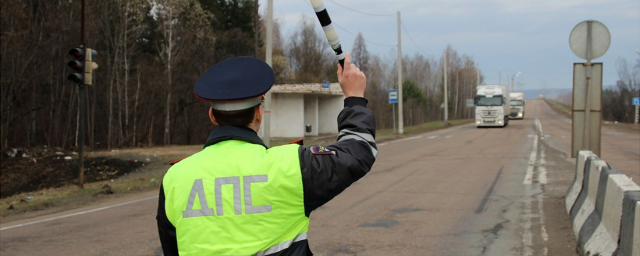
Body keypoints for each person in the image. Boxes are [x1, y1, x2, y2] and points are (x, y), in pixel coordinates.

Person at [156, 52, 377, 256]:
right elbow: (358, 150)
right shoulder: (291, 165)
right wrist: (354, 97)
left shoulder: (176, 177)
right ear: (259, 113)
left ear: (212, 116)